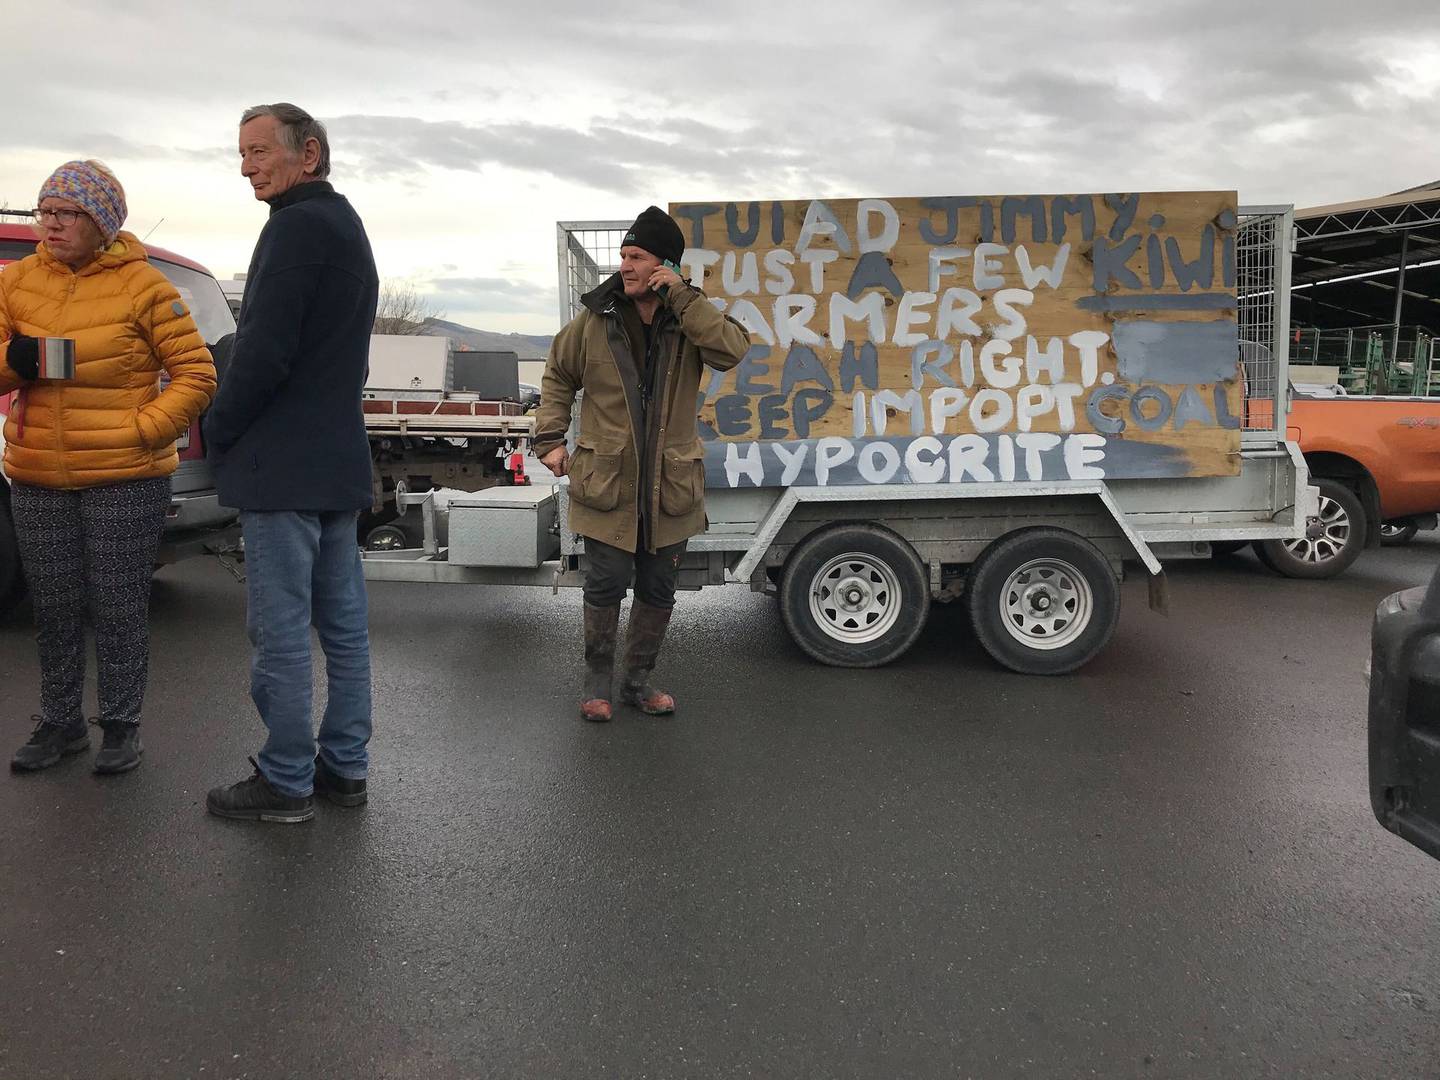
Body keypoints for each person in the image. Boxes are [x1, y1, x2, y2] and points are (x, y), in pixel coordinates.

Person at [1, 160, 216, 774]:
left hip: (125, 478)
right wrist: (20, 359)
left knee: (118, 605)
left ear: (101, 223)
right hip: (38, 472)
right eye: (46, 212)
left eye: (67, 214)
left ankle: (121, 727)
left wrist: (144, 431)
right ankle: (60, 724)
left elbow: (198, 374)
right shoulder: (15, 284)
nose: (52, 225)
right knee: (54, 605)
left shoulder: (145, 287)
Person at [203, 104, 379, 824]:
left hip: (284, 469)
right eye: (239, 154)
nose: (246, 165)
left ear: (308, 154)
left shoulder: (293, 229)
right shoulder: (346, 225)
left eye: (257, 151)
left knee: (279, 631)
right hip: (336, 460)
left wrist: (219, 426)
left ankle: (284, 779)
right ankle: (345, 769)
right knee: (343, 630)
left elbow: (263, 353)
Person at [533, 206, 749, 722]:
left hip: (670, 484)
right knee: (604, 584)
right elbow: (558, 375)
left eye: (638, 257)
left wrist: (680, 293)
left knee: (658, 588)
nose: (625, 266)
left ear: (664, 265)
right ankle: (596, 686)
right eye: (624, 256)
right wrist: (549, 439)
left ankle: (636, 683)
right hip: (607, 481)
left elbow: (732, 349)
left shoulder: (689, 318)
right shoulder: (594, 320)